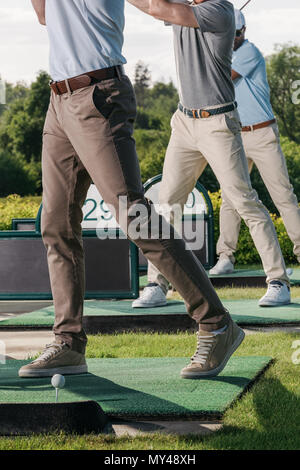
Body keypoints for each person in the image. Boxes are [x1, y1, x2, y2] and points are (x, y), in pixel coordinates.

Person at [19, 0, 245, 380]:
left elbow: (157, 6)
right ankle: (68, 342)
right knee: (56, 225)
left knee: (135, 217)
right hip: (58, 102)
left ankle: (216, 324)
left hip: (99, 95)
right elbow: (44, 15)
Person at [130, 0, 290, 310]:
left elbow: (156, 8)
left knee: (244, 200)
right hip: (184, 122)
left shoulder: (219, 10)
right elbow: (155, 4)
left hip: (218, 122)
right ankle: (156, 285)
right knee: (166, 204)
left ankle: (278, 281)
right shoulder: (184, 6)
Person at [210, 9, 300, 290]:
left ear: (243, 31)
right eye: (229, 33)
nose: (234, 37)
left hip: (262, 133)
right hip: (236, 135)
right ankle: (226, 256)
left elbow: (222, 78)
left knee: (283, 196)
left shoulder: (249, 53)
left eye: (237, 33)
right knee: (230, 199)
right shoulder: (224, 49)